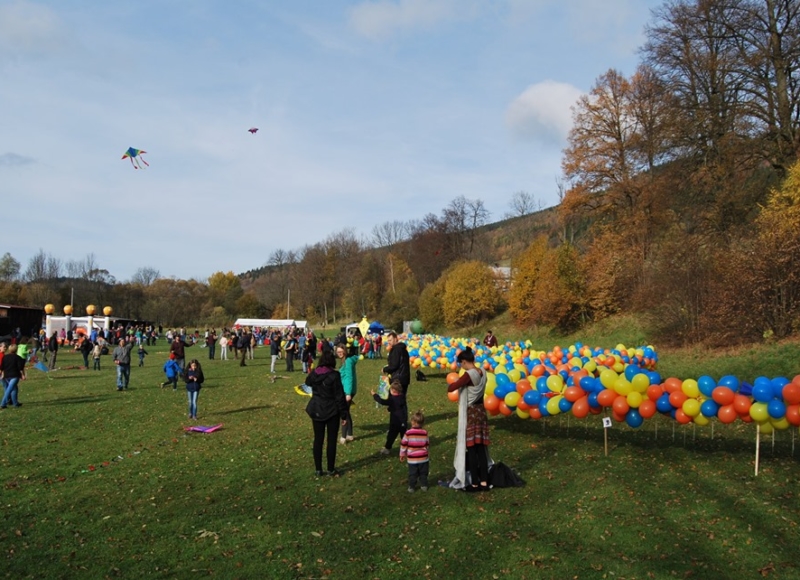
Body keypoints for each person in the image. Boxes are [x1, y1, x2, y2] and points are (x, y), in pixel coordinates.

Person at [447, 347, 491, 492]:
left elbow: (452, 387)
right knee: (481, 448)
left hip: (471, 413)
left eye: (461, 364)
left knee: (471, 448)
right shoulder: (483, 372)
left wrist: (451, 384)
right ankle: (484, 481)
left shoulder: (468, 375)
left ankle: (474, 483)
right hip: (481, 412)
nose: (461, 366)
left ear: (464, 362)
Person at [304, 349, 348, 477]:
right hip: (331, 410)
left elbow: (307, 382)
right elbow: (340, 396)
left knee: (318, 439)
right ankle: (330, 469)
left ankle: (318, 469)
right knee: (331, 440)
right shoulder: (334, 375)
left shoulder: (314, 374)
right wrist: (344, 414)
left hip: (317, 408)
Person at [372, 380, 408, 456]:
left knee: (391, 436)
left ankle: (387, 448)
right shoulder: (402, 397)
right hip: (403, 421)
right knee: (404, 437)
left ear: (393, 391)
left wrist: (375, 395)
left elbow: (382, 401)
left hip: (395, 421)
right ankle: (407, 448)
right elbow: (398, 407)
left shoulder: (392, 399)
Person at [400, 410, 430, 493]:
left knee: (412, 474)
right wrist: (426, 452)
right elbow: (427, 444)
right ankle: (424, 485)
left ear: (412, 421)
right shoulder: (424, 433)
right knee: (423, 473)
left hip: (412, 459)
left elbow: (403, 444)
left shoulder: (408, 433)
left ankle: (411, 487)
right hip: (423, 458)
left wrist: (402, 454)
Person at [336, 343, 358, 444]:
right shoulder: (345, 360)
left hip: (347, 390)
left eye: (341, 351)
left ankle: (343, 437)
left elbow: (349, 377)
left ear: (345, 351)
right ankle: (350, 435)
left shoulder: (348, 361)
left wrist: (348, 393)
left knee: (343, 412)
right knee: (347, 412)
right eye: (338, 352)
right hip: (345, 389)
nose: (339, 353)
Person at [0, 344, 26, 408]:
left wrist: (3, 374)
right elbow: (20, 368)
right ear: (16, 350)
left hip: (7, 376)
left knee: (14, 388)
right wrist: (23, 375)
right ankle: (3, 404)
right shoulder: (18, 357)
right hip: (14, 375)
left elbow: (2, 367)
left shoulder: (5, 357)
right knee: (9, 389)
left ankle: (15, 403)